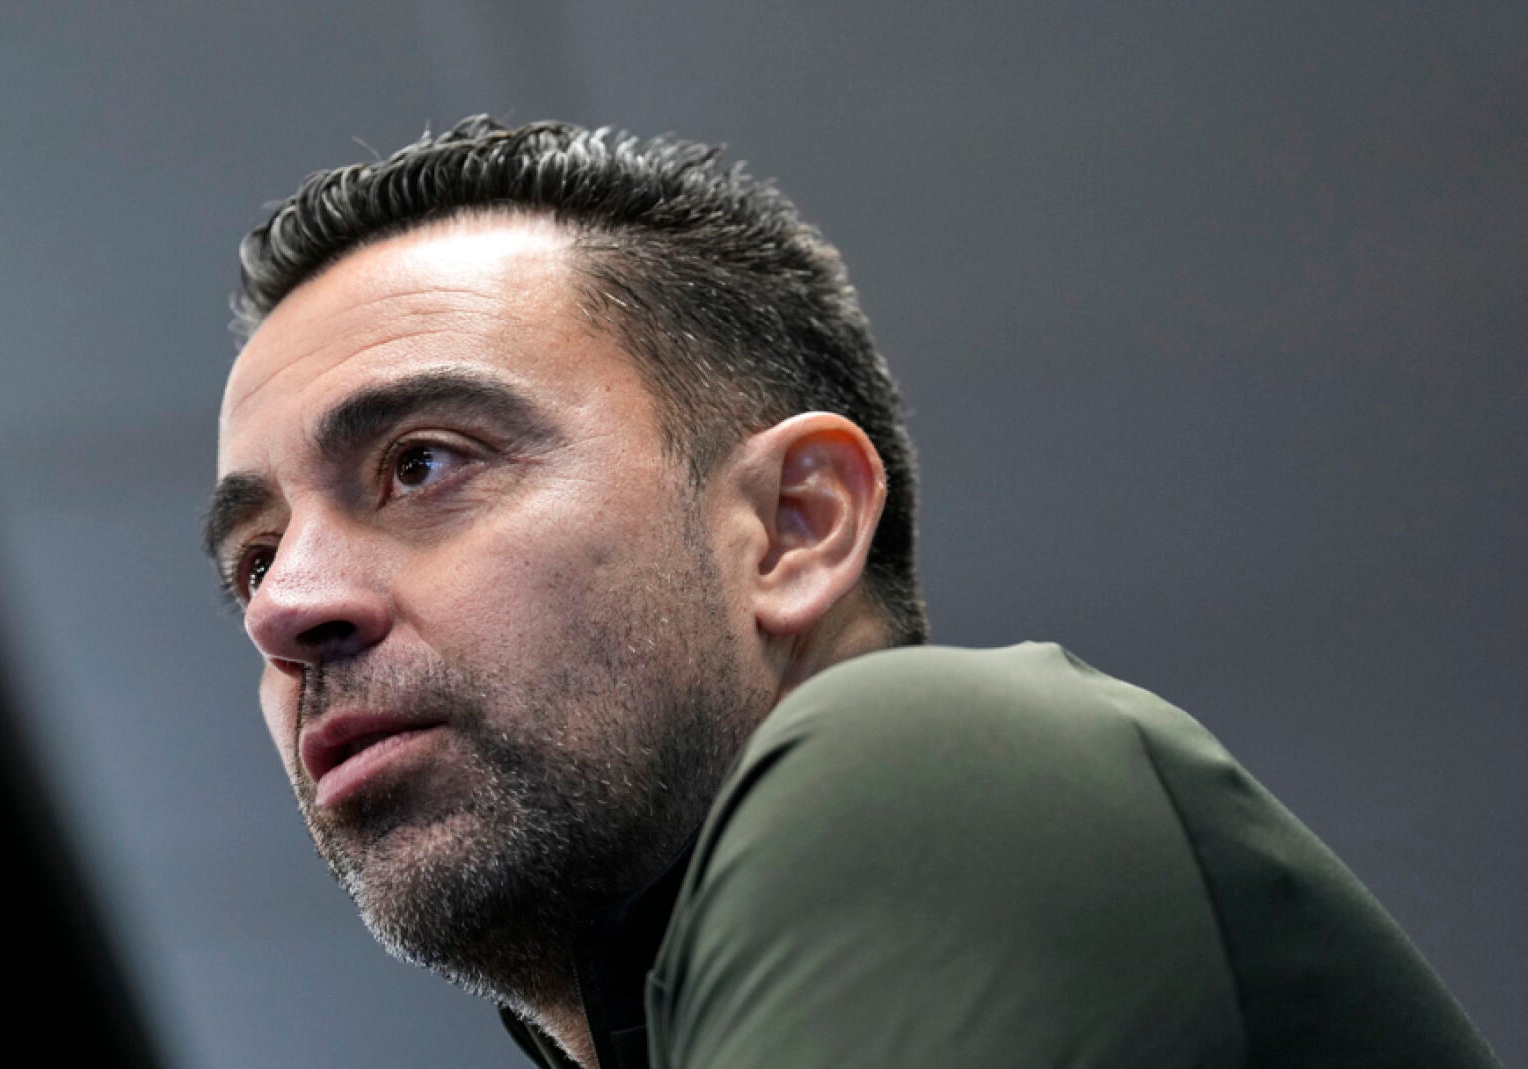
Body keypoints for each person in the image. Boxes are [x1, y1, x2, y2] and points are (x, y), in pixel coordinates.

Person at [204, 116, 1496, 1068]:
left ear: (795, 526)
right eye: (253, 557)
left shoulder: (928, 754)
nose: (283, 607)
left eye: (422, 463)